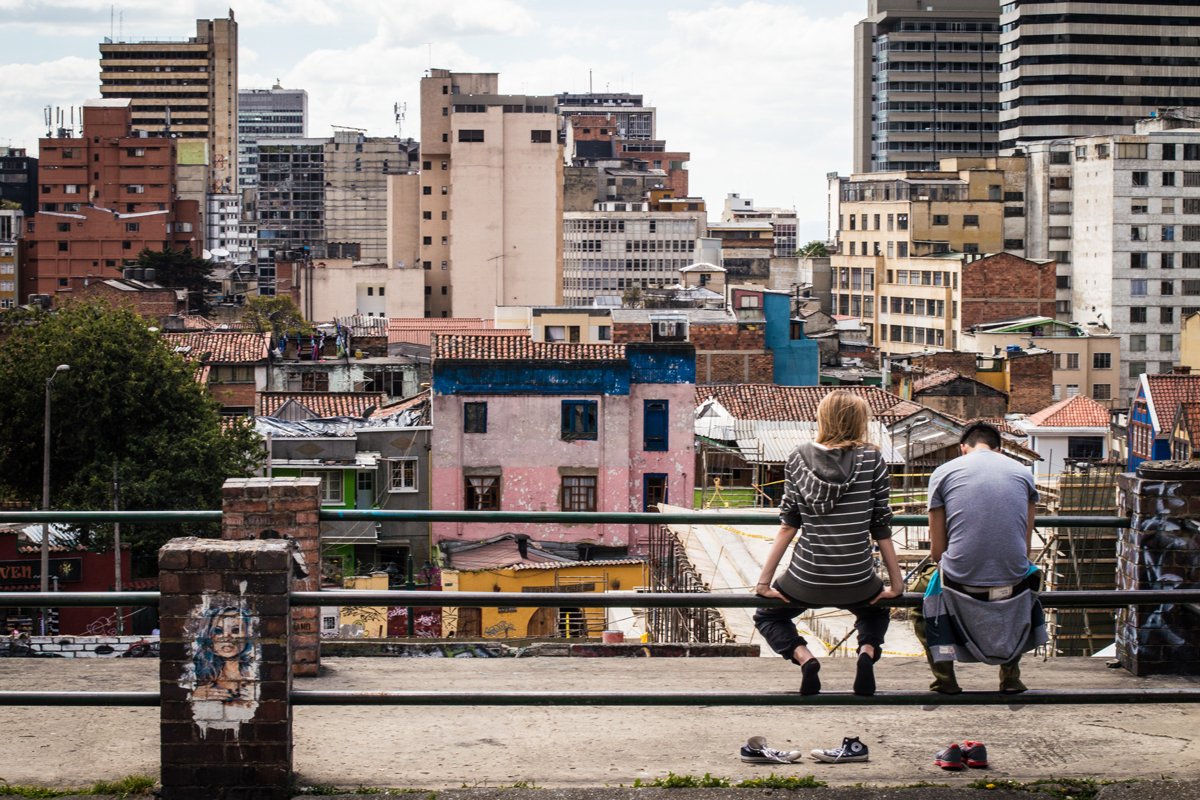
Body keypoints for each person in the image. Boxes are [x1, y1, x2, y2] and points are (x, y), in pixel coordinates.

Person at [753, 390, 904, 696]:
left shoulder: (797, 457)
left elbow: (788, 526)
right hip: (857, 577)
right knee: (875, 611)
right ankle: (866, 653)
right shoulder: (872, 459)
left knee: (766, 615)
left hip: (805, 577)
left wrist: (763, 583)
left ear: (823, 418)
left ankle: (804, 657)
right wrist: (896, 584)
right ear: (859, 421)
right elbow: (881, 526)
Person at [915, 420, 1045, 694]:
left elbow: (937, 552)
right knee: (1029, 581)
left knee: (919, 604)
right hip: (1015, 582)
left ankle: (945, 680)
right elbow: (1026, 545)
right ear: (1000, 449)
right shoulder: (1023, 473)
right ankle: (1010, 677)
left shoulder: (943, 472)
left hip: (959, 582)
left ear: (963, 448)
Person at [192, 605, 256, 705]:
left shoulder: (255, 671)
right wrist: (194, 695)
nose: (227, 637)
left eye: (235, 630)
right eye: (218, 631)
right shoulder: (196, 670)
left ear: (247, 634)